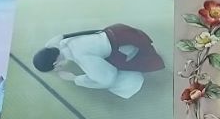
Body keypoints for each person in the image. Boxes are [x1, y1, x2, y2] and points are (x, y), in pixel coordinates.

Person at [32, 23, 165, 99]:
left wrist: (74, 79)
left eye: (55, 68)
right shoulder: (58, 43)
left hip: (126, 45)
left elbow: (107, 79)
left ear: (56, 64)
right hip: (115, 30)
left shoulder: (81, 56)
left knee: (119, 82)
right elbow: (52, 43)